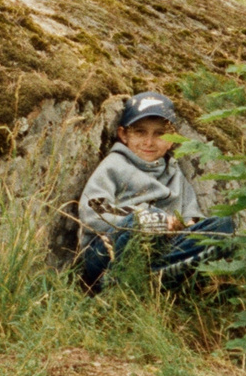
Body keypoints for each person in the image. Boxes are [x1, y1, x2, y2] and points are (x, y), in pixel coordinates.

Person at [68, 92, 234, 293]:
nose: (149, 142)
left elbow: (191, 218)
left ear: (172, 139)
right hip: (109, 250)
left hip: (163, 250)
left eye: (159, 134)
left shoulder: (175, 174)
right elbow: (93, 211)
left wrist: (183, 225)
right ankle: (117, 279)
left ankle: (155, 275)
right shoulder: (114, 166)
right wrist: (152, 219)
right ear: (124, 135)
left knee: (223, 226)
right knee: (149, 220)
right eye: (140, 132)